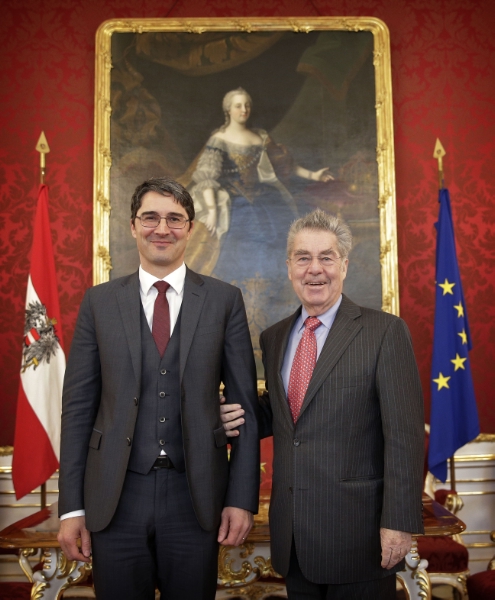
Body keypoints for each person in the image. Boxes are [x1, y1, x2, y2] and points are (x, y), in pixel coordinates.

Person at [57, 177, 260, 600]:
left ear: (190, 228)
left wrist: (241, 499)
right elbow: (78, 410)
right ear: (133, 226)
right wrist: (72, 507)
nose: (161, 229)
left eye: (174, 219)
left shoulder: (224, 301)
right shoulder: (99, 302)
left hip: (196, 497)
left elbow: (245, 407)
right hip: (115, 498)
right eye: (150, 217)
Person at [222, 208, 425, 599]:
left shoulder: (384, 332)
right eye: (303, 258)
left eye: (326, 258)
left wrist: (399, 523)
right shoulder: (275, 337)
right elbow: (285, 412)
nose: (314, 269)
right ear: (289, 267)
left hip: (360, 538)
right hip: (294, 537)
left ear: (344, 265)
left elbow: (404, 437)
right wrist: (222, 414)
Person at [189, 88, 333, 340]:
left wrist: (313, 175)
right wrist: (211, 211)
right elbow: (207, 177)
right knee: (236, 249)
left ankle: (273, 313)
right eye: (238, 105)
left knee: (277, 246)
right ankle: (234, 319)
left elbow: (285, 166)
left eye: (247, 105)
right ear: (228, 109)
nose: (243, 109)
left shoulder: (261, 137)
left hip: (266, 201)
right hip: (234, 204)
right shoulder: (219, 139)